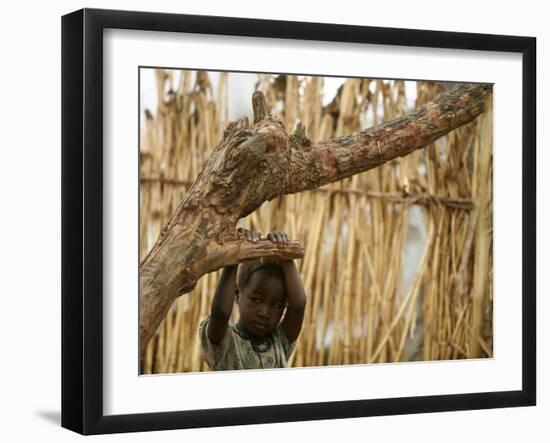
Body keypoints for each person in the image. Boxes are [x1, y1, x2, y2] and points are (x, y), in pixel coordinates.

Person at [198, 228, 307, 370]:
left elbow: (298, 305)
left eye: (276, 305)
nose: (264, 312)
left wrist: (284, 254)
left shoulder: (280, 342)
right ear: (236, 295)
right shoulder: (224, 342)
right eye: (256, 300)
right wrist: (235, 255)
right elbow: (221, 312)